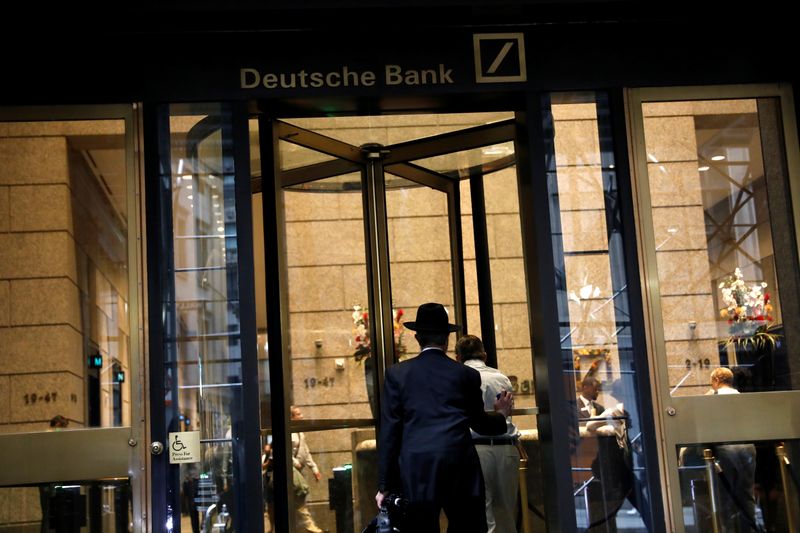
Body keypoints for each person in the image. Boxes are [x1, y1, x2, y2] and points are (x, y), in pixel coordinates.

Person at [376, 302, 514, 533]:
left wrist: (385, 484)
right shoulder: (466, 375)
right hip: (459, 464)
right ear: (447, 339)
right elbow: (479, 422)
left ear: (417, 337)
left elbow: (390, 431)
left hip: (416, 467)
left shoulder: (397, 374)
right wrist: (501, 415)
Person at [455, 334, 520, 533]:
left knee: (483, 515)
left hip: (475, 450)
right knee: (507, 514)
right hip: (505, 449)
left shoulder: (460, 376)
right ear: (484, 354)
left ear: (458, 357)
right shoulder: (501, 378)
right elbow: (507, 412)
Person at [707, 368, 759, 531]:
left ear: (716, 380)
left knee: (725, 496)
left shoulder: (711, 398)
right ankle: (749, 529)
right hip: (747, 448)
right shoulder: (741, 398)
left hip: (725, 448)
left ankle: (729, 529)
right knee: (746, 494)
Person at [290, 406, 326, 533]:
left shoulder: (300, 432)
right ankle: (312, 529)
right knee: (300, 499)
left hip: (297, 472)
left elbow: (306, 451)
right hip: (292, 472)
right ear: (291, 417)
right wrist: (294, 463)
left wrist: (314, 468)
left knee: (296, 502)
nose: (302, 416)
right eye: (298, 414)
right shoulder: (289, 433)